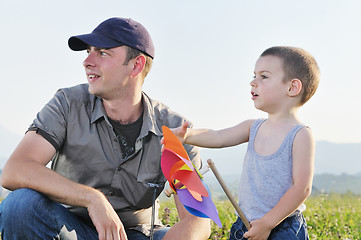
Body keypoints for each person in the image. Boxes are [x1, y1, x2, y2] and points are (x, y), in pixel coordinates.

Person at [0, 17, 210, 240]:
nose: (87, 61)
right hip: (71, 230)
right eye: (89, 51)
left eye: (102, 53)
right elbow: (15, 170)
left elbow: (197, 221)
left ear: (136, 65)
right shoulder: (66, 103)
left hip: (137, 234)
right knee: (20, 205)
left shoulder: (175, 130)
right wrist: (92, 199)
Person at [167, 46, 320, 240]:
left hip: (282, 226)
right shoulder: (253, 127)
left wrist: (268, 222)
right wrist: (187, 136)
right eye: (254, 75)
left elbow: (302, 188)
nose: (253, 82)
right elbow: (219, 136)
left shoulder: (300, 135)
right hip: (245, 222)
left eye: (264, 77)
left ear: (292, 87)